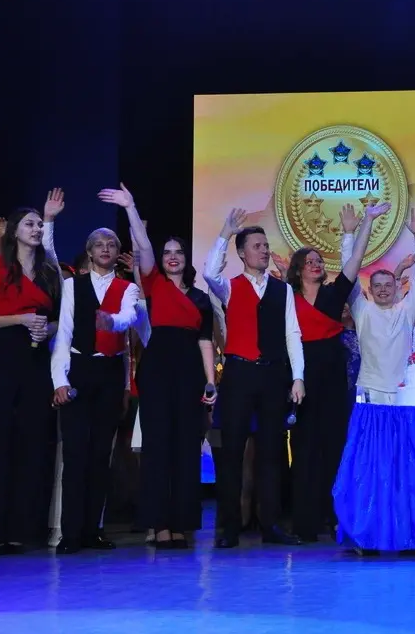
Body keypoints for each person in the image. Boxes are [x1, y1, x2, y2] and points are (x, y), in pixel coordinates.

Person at [100, 184, 217, 549]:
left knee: (186, 447)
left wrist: (210, 381)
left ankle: (181, 523)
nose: (172, 257)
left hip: (190, 371)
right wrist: (131, 208)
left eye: (178, 252)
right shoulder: (154, 284)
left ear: (186, 258)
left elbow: (205, 341)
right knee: (158, 446)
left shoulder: (200, 299)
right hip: (158, 369)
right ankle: (160, 525)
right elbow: (143, 246)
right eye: (167, 253)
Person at [204, 209, 305, 548]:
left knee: (271, 452)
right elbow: (209, 272)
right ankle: (230, 527)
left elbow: (292, 334)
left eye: (265, 245)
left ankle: (270, 525)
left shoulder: (282, 290)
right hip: (240, 374)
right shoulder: (229, 288)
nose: (264, 250)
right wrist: (224, 233)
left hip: (273, 375)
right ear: (242, 253)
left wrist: (298, 377)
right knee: (232, 451)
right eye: (257, 246)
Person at [288, 202, 388, 542]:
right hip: (300, 379)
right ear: (298, 270)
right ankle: (304, 522)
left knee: (334, 447)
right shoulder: (286, 298)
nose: (317, 264)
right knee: (304, 449)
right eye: (309, 261)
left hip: (332, 378)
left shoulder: (333, 295)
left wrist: (366, 222)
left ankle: (336, 519)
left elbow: (356, 259)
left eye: (319, 260)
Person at [0, 197, 63, 554]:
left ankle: (24, 529)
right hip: (4, 353)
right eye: (30, 223)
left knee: (33, 440)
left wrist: (46, 329)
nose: (37, 229)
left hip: (36, 356)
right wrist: (20, 319)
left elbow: (59, 319)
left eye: (40, 224)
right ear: (14, 231)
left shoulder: (48, 271)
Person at [50, 228, 141, 553]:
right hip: (79, 369)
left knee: (101, 455)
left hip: (109, 374)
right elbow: (64, 333)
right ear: (89, 252)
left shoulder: (127, 288)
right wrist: (60, 380)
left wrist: (111, 322)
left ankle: (93, 530)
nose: (105, 249)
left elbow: (128, 318)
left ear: (117, 252)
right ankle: (70, 533)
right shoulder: (73, 285)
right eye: (99, 245)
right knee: (75, 454)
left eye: (111, 244)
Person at [340, 208, 415, 405]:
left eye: (388, 285)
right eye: (377, 286)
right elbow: (348, 272)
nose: (383, 290)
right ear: (370, 290)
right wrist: (348, 235)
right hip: (369, 388)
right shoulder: (362, 310)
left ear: (396, 287)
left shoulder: (406, 310)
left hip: (403, 388)